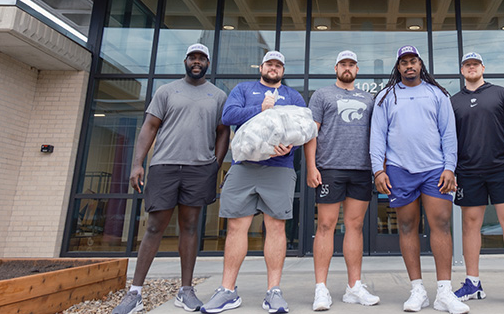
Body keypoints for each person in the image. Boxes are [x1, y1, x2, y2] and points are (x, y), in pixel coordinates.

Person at [112, 43, 229, 314]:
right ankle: (135, 293)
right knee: (154, 227)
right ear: (185, 61)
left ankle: (186, 291)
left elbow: (223, 131)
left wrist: (216, 164)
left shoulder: (218, 95)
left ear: (208, 63)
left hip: (199, 169)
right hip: (164, 166)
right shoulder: (166, 91)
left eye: (202, 58)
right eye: (193, 57)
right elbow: (149, 127)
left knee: (190, 227)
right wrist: (137, 164)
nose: (197, 62)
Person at [201, 51, 306, 314]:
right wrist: (260, 108)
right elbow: (228, 117)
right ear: (261, 67)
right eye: (270, 64)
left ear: (283, 70)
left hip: (279, 168)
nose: (273, 68)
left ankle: (274, 292)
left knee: (276, 227)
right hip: (244, 166)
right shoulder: (244, 89)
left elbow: (302, 128)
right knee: (237, 226)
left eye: (278, 65)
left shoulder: (293, 96)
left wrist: (290, 148)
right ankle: (227, 291)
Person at [370, 45, 469, 314]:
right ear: (398, 67)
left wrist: (450, 167)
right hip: (400, 169)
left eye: (413, 61)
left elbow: (449, 134)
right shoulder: (386, 97)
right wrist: (378, 170)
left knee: (441, 224)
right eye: (404, 62)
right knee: (406, 226)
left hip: (435, 169)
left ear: (420, 64)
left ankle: (445, 292)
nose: (409, 66)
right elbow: (377, 136)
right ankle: (418, 290)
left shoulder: (437, 93)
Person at [449, 52, 504, 307]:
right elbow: (450, 140)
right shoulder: (454, 101)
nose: (472, 68)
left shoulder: (502, 94)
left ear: (483, 67)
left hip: (502, 169)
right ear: (462, 70)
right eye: (467, 64)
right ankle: (472, 282)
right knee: (470, 226)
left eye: (475, 64)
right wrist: (452, 170)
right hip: (468, 171)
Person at [306, 50, 380, 311]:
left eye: (351, 64)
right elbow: (310, 133)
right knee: (325, 225)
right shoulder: (322, 95)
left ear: (357, 70)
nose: (347, 68)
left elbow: (378, 134)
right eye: (343, 64)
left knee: (355, 227)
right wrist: (311, 166)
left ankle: (354, 287)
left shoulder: (368, 99)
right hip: (330, 168)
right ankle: (321, 289)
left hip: (361, 169)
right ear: (335, 67)